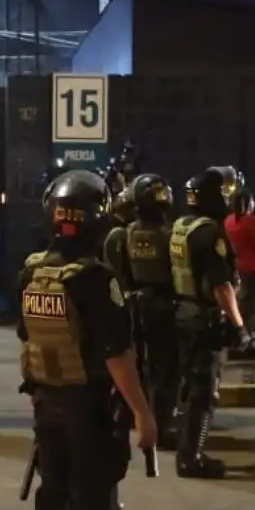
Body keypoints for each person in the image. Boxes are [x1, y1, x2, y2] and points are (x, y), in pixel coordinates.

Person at [18, 168, 157, 510]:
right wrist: (143, 412)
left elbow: (29, 339)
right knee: (96, 509)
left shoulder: (33, 270)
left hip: (47, 404)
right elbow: (116, 354)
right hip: (91, 411)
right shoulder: (96, 278)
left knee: (52, 499)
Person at [169, 167, 249, 477]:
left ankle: (187, 451)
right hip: (205, 320)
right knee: (205, 392)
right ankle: (192, 458)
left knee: (188, 387)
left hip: (183, 315)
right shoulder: (210, 233)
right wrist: (239, 325)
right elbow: (221, 286)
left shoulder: (182, 226)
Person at [104, 174, 179, 448]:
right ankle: (160, 425)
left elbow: (116, 275)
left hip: (131, 306)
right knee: (164, 369)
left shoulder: (121, 235)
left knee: (131, 366)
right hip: (163, 306)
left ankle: (122, 418)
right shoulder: (172, 234)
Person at [223, 190, 255, 360]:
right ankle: (243, 345)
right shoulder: (251, 221)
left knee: (238, 305)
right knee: (248, 308)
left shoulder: (228, 221)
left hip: (235, 267)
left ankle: (237, 342)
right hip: (251, 267)